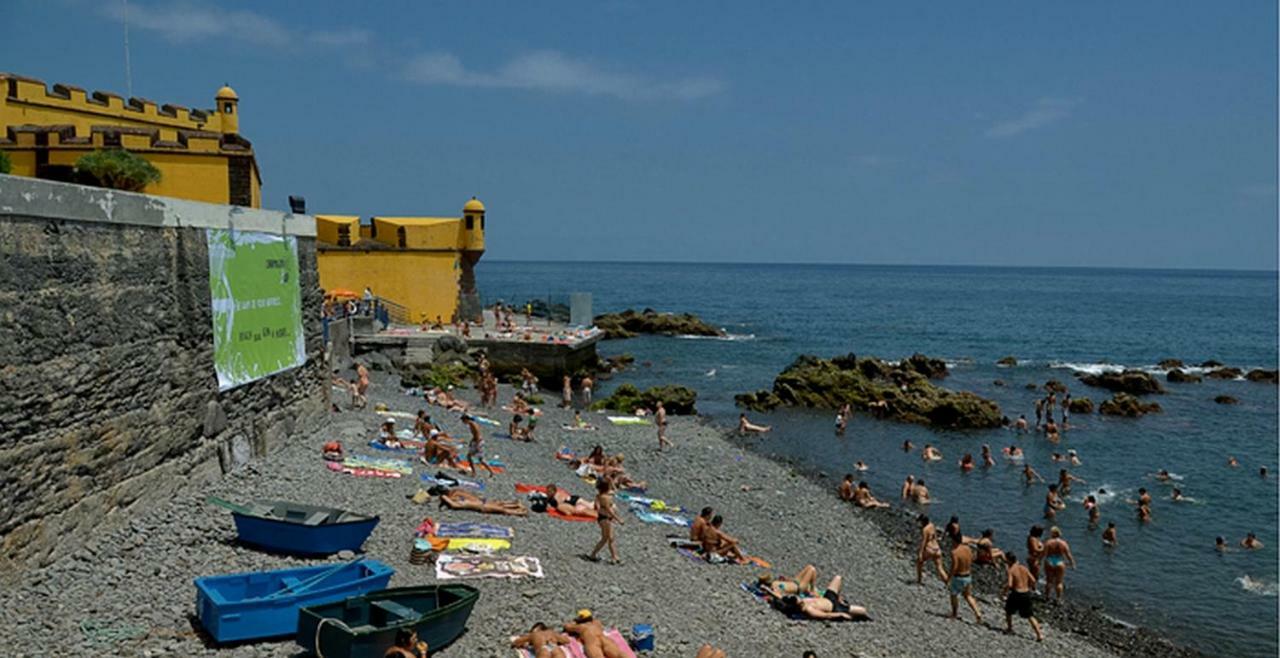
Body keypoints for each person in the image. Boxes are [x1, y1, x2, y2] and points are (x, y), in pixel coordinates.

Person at [1002, 552, 1044, 641]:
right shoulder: (1024, 568)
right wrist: (1032, 588)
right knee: (1030, 615)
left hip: (1016, 593)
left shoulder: (1011, 570)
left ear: (1009, 560)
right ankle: (1039, 634)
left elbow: (1009, 584)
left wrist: (1004, 592)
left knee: (1008, 611)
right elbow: (1033, 579)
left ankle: (1009, 628)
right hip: (1026, 593)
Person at [946, 530, 982, 624]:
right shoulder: (968, 548)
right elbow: (972, 558)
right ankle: (977, 613)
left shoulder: (954, 552)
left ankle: (954, 614)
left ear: (954, 540)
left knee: (953, 595)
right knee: (968, 596)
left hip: (958, 577)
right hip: (968, 576)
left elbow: (954, 567)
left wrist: (948, 578)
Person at [796, 575, 869, 620]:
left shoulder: (804, 599)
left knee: (838, 578)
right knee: (863, 611)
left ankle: (840, 600)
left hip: (828, 597)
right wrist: (840, 615)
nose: (799, 599)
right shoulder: (808, 609)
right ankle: (845, 607)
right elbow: (826, 615)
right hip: (835, 607)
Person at [587, 479, 622, 564]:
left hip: (604, 518)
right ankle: (596, 555)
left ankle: (613, 556)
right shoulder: (605, 497)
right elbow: (608, 509)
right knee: (607, 538)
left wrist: (610, 481)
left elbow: (614, 490)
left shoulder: (600, 495)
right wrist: (618, 519)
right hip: (606, 519)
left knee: (609, 538)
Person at [439, 488, 528, 516]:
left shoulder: (457, 498)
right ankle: (519, 513)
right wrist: (444, 497)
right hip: (482, 506)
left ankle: (516, 506)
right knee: (502, 509)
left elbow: (455, 492)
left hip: (482, 503)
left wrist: (444, 497)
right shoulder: (457, 503)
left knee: (500, 505)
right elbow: (453, 504)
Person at [1042, 526, 1076, 600]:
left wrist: (1039, 561)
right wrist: (1072, 563)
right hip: (1059, 562)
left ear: (1052, 534)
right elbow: (1068, 555)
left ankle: (1047, 596)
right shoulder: (1063, 543)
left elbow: (1044, 554)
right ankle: (1058, 599)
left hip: (1049, 560)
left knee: (1049, 581)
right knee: (1059, 582)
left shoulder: (1048, 542)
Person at [916, 515, 946, 584]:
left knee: (919, 563)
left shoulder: (925, 530)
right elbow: (935, 536)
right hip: (937, 549)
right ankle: (948, 583)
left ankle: (919, 580)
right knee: (940, 568)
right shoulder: (932, 525)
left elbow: (923, 542)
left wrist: (920, 553)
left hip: (930, 549)